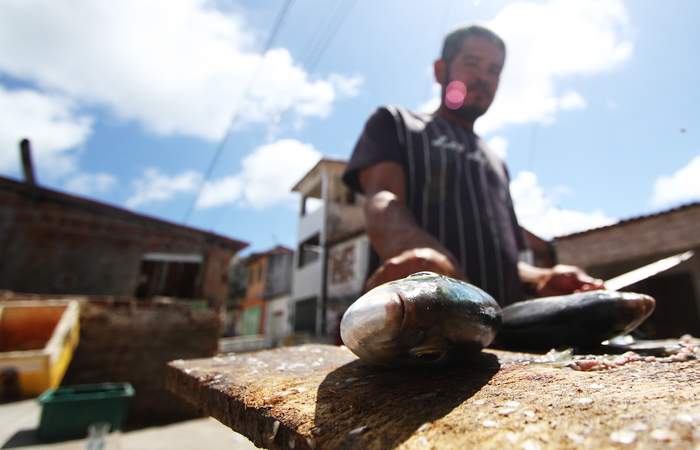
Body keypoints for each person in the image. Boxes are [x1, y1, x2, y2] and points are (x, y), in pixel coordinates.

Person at [342, 24, 603, 306]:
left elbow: (505, 263)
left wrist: (541, 279)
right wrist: (420, 253)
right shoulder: (397, 123)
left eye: (494, 70)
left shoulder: (497, 163)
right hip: (414, 324)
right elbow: (383, 198)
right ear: (441, 71)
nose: (483, 77)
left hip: (499, 334)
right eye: (472, 63)